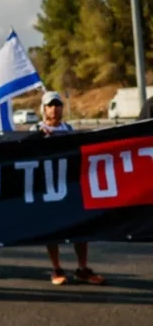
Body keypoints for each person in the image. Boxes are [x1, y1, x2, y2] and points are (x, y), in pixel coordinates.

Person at [31, 92, 105, 286]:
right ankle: (56, 268)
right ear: (43, 109)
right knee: (52, 228)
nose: (54, 109)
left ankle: (82, 268)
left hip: (71, 184)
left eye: (57, 105)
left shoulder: (70, 130)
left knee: (80, 226)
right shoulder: (35, 130)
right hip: (48, 186)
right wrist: (38, 139)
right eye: (50, 105)